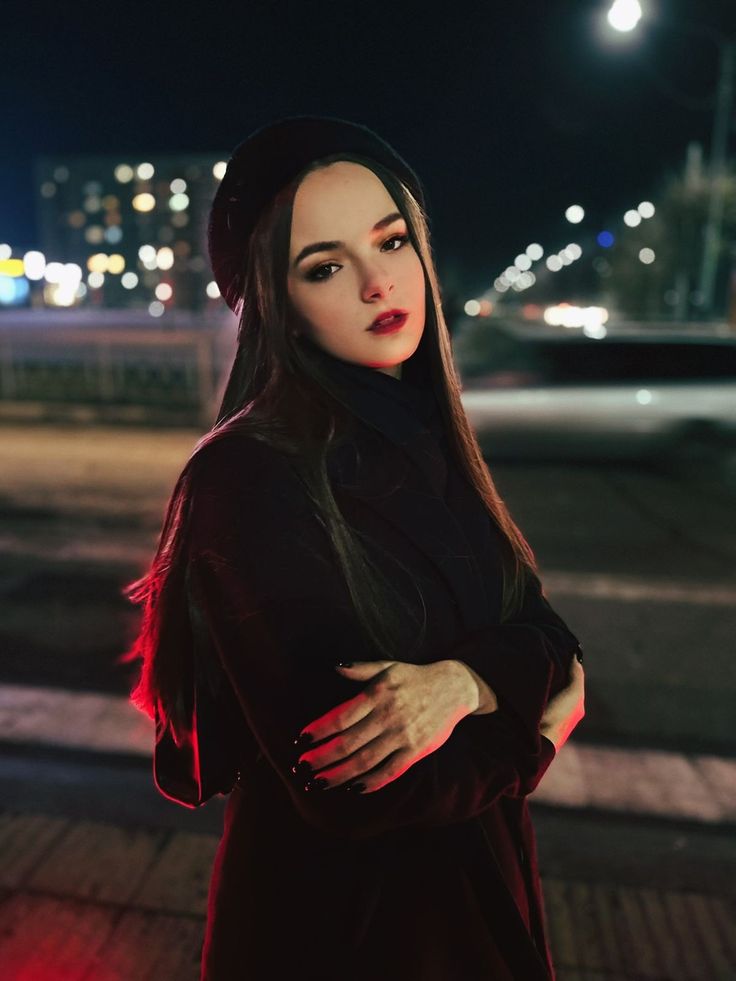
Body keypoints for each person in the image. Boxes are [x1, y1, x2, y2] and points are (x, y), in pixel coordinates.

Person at [121, 115, 586, 981]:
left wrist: (469, 684)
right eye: (327, 266)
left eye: (393, 240)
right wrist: (531, 724)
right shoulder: (249, 477)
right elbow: (367, 779)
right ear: (280, 308)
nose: (380, 282)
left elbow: (544, 629)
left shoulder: (424, 430)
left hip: (469, 909)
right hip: (343, 934)